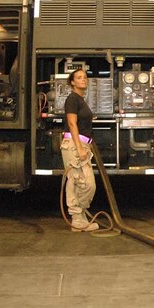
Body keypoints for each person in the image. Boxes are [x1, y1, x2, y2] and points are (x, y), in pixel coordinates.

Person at [60, 68, 99, 232]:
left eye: (85, 77)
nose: (83, 79)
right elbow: (71, 124)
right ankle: (77, 217)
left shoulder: (80, 99)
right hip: (75, 146)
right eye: (79, 77)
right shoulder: (72, 99)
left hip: (82, 144)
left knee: (79, 182)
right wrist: (79, 147)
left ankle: (79, 220)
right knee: (85, 183)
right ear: (72, 82)